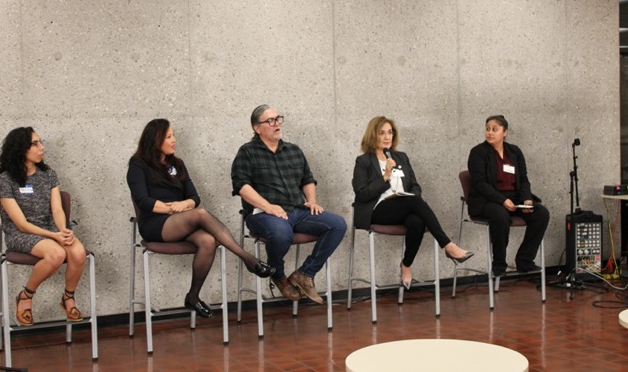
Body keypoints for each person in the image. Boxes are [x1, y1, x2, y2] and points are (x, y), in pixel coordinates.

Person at [127, 119, 275, 318]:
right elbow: (143, 200)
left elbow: (194, 198)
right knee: (201, 214)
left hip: (181, 221)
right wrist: (173, 210)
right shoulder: (138, 165)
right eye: (169, 136)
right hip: (154, 223)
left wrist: (184, 206)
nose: (174, 140)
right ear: (155, 140)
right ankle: (248, 259)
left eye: (173, 135)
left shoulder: (177, 164)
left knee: (208, 241)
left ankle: (193, 297)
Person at [231, 105, 346, 304]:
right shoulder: (247, 152)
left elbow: (307, 179)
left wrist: (311, 201)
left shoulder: (293, 150)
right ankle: (277, 273)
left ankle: (305, 273)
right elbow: (241, 186)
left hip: (297, 211)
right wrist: (269, 207)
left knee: (337, 224)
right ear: (257, 128)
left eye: (278, 119)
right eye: (270, 121)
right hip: (262, 214)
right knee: (282, 233)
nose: (276, 124)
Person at [352, 116, 473, 289]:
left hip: (404, 205)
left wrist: (409, 196)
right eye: (382, 133)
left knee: (417, 221)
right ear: (373, 136)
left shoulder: (401, 157)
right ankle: (448, 245)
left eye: (390, 132)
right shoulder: (363, 161)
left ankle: (406, 264)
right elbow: (362, 194)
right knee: (414, 203)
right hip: (377, 209)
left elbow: (415, 186)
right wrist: (385, 176)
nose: (387, 137)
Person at [0, 127, 87, 326]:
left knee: (78, 252)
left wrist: (62, 230)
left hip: (51, 230)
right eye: (35, 144)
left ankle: (68, 297)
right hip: (20, 234)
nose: (41, 147)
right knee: (56, 254)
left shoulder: (48, 174)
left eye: (40, 142)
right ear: (20, 149)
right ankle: (26, 296)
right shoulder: (4, 180)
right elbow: (21, 223)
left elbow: (57, 210)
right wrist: (54, 236)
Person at [467, 115, 550, 277]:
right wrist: (503, 200)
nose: (490, 133)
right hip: (488, 200)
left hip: (514, 198)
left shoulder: (514, 151)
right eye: (488, 129)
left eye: (495, 129)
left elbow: (523, 178)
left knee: (541, 214)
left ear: (505, 132)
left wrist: (527, 198)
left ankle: (524, 261)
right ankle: (499, 264)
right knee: (500, 216)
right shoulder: (478, 152)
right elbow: (480, 184)